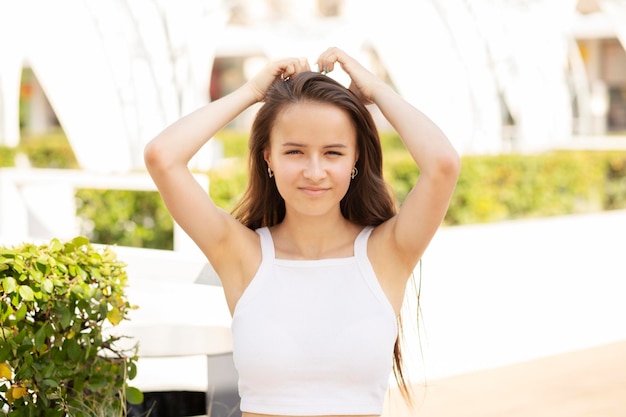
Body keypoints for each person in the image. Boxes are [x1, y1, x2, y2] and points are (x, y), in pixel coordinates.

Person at [144, 47, 460, 417]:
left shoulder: (386, 253)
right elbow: (162, 157)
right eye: (294, 152)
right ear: (269, 158)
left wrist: (375, 89)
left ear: (355, 158)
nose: (314, 171)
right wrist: (250, 92)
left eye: (333, 153)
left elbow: (442, 164)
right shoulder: (242, 254)